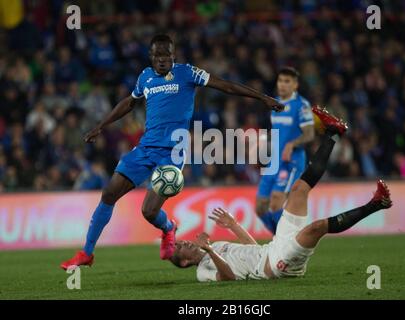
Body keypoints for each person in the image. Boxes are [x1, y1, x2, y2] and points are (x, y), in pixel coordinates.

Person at [60, 34, 284, 270]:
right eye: (158, 55)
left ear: (173, 55)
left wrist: (262, 98)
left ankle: (168, 228)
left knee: (148, 211)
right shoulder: (145, 77)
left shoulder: (188, 73)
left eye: (167, 55)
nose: (163, 60)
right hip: (146, 148)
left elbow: (225, 85)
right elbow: (129, 102)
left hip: (172, 152)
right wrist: (101, 126)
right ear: (151, 57)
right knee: (108, 194)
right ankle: (87, 252)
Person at [168, 106, 393, 281]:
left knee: (298, 190)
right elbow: (227, 277)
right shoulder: (203, 271)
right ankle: (376, 204)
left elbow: (252, 249)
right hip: (273, 267)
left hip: (272, 248)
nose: (184, 242)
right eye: (180, 248)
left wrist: (234, 225)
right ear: (186, 262)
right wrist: (209, 250)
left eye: (179, 242)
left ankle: (333, 132)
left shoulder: (215, 247)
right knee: (316, 228)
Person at [256, 67, 315, 233]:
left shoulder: (301, 105)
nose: (282, 85)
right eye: (280, 80)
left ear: (295, 85)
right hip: (274, 161)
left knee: (276, 203)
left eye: (287, 81)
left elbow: (309, 134)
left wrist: (292, 144)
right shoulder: (275, 104)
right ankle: (281, 240)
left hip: (291, 161)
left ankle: (288, 241)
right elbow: (278, 132)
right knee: (260, 207)